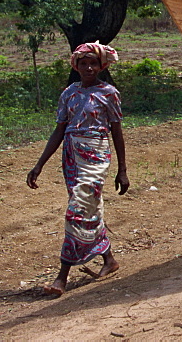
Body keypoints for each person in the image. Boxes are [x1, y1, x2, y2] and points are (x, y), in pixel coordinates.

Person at [27, 42, 129, 297]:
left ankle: (62, 276)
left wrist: (122, 169)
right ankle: (109, 259)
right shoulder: (69, 94)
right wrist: (39, 164)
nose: (89, 68)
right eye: (83, 63)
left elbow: (117, 131)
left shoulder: (109, 93)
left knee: (76, 210)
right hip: (71, 156)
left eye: (93, 63)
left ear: (102, 65)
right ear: (76, 66)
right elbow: (59, 129)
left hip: (96, 154)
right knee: (87, 207)